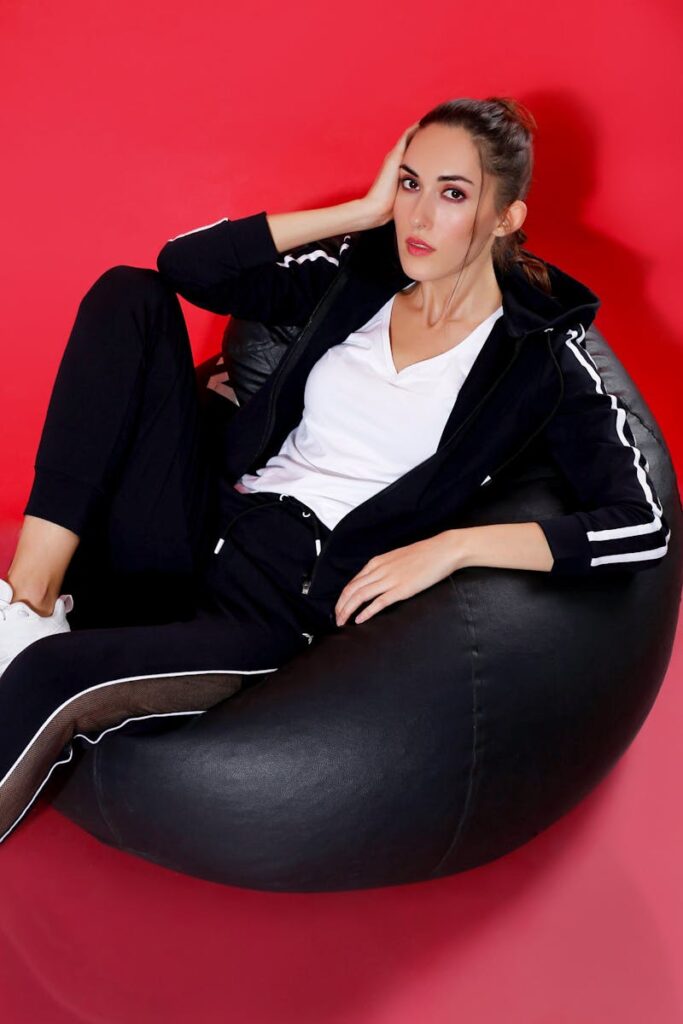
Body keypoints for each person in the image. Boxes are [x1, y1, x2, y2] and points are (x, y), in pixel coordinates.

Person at [0, 96, 670, 845]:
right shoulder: (360, 273)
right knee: (128, 293)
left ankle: (31, 644)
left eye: (453, 194)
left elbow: (643, 524)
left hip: (277, 599)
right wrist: (360, 213)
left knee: (45, 677)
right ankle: (28, 600)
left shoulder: (540, 357)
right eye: (410, 183)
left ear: (505, 218)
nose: (419, 216)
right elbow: (184, 265)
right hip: (200, 521)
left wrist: (453, 548)